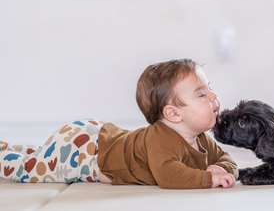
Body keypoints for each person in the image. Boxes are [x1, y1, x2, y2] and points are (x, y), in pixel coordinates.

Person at [0, 58, 238, 189]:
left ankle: (11, 148)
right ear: (173, 114)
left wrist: (224, 170)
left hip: (100, 135)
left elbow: (226, 160)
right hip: (85, 150)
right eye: (201, 94)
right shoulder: (161, 139)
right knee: (28, 171)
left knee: (41, 155)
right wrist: (209, 178)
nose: (213, 97)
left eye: (211, 88)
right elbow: (168, 175)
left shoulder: (201, 138)